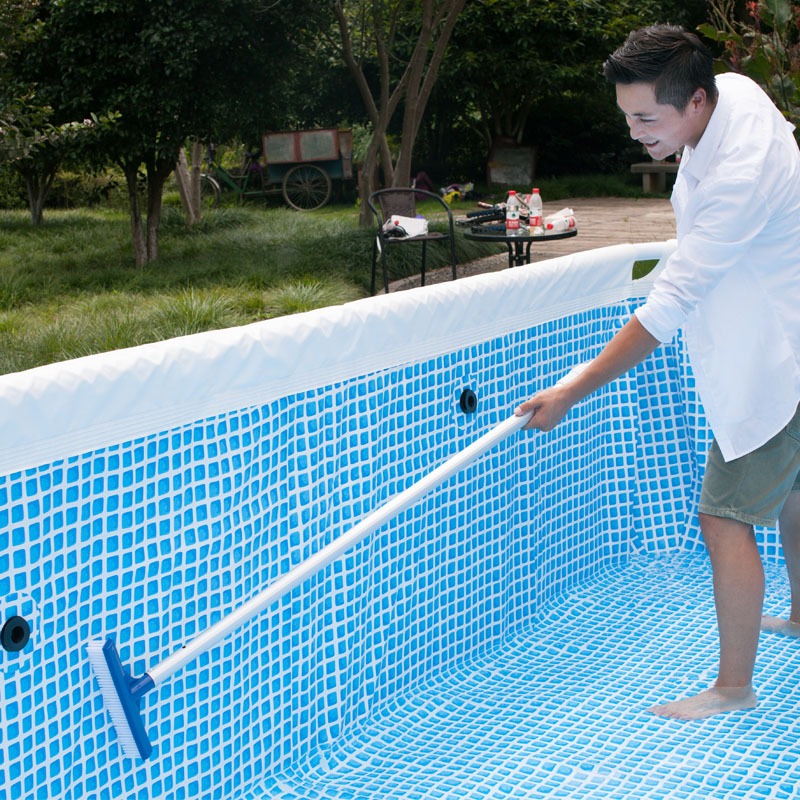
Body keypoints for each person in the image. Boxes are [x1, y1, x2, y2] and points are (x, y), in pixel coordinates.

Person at [516, 24, 800, 720]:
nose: (635, 133)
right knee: (793, 491)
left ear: (695, 100)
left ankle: (733, 688)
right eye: (628, 117)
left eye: (647, 118)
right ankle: (799, 618)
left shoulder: (739, 174)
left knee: (723, 518)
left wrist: (572, 390)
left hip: (779, 358)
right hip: (784, 318)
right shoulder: (733, 92)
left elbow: (670, 303)